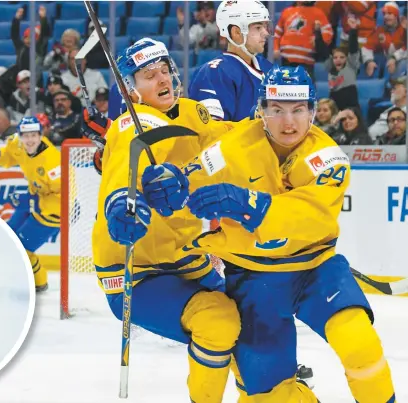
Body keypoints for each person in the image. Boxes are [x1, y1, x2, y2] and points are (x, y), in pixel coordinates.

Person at [141, 66, 396, 402]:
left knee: (359, 342)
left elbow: (311, 214)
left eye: (298, 110)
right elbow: (192, 178)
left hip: (315, 270)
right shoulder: (232, 146)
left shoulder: (328, 158)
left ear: (312, 111)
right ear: (261, 111)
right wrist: (172, 186)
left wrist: (249, 204)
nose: (288, 122)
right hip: (254, 279)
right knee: (271, 397)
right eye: (276, 110)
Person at [93, 37, 240, 403]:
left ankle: (266, 390)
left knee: (247, 320)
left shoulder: (194, 113)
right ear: (131, 88)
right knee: (217, 323)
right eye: (147, 75)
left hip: (186, 257)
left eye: (165, 70)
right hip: (135, 271)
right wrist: (122, 206)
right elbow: (122, 176)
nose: (162, 80)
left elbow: (232, 144)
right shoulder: (134, 123)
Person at [0, 116, 60, 292]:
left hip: (54, 210)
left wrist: (32, 202)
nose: (30, 140)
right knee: (8, 235)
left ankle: (39, 282)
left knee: (23, 247)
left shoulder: (53, 161)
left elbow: (64, 193)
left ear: (40, 135)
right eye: (26, 136)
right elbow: (8, 153)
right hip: (34, 196)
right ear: (20, 135)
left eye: (34, 136)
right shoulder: (18, 143)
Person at [188, 0, 273, 121]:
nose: (265, 33)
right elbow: (213, 132)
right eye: (258, 27)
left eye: (265, 27)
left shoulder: (269, 68)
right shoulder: (214, 73)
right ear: (236, 32)